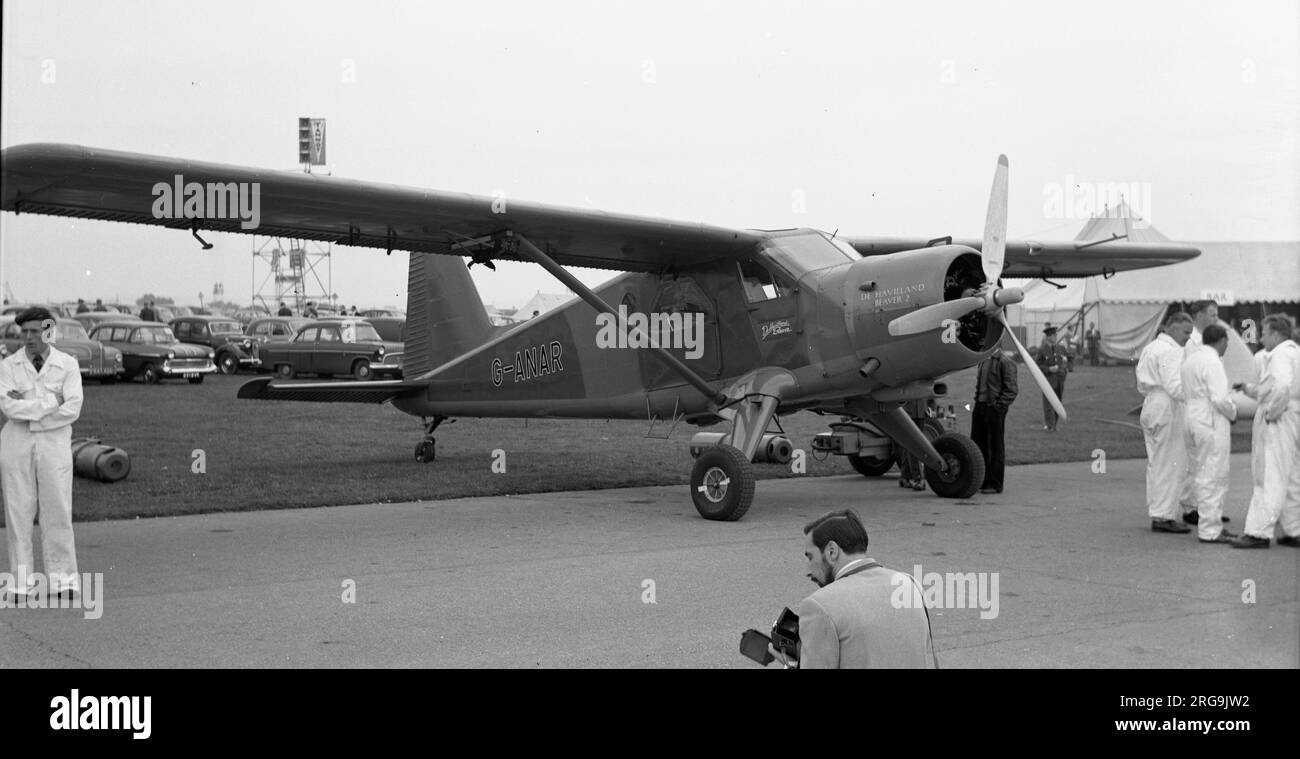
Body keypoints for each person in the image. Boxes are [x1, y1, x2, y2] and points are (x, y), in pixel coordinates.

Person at [0, 307, 84, 600]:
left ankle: (64, 580)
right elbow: (7, 407)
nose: (29, 337)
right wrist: (51, 402)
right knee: (18, 511)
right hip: (16, 444)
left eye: (35, 331)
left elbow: (72, 408)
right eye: (24, 332)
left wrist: (30, 408)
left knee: (58, 509)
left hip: (54, 445)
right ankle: (21, 584)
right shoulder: (8, 366)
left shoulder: (68, 365)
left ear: (49, 331)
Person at [797, 509, 936, 668]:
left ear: (831, 551)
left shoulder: (819, 605)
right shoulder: (911, 585)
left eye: (810, 557)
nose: (807, 570)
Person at [1232, 314, 1300, 548]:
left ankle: (1259, 533)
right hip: (1294, 416)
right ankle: (1293, 529)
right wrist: (1251, 389)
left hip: (1281, 417)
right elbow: (1274, 388)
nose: (1260, 337)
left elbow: (1281, 388)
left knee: (1269, 474)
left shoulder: (1279, 355)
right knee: (1292, 476)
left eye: (1264, 333)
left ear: (1276, 335)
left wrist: (1272, 413)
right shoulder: (1295, 352)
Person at [1180, 324, 1238, 544]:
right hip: (1209, 418)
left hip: (1190, 415)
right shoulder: (1213, 361)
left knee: (1198, 470)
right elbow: (1220, 398)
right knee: (1214, 473)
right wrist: (1233, 413)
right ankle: (1210, 528)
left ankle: (1207, 522)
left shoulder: (1191, 359)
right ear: (1221, 340)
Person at [1136, 312, 1193, 533]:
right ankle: (1163, 515)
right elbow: (1175, 386)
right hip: (1167, 406)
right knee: (1171, 463)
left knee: (1157, 462)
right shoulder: (1171, 351)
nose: (1188, 337)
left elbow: (1142, 384)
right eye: (1186, 332)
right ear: (1172, 328)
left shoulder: (1151, 347)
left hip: (1151, 403)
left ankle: (1159, 510)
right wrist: (1198, 396)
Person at [971, 348, 1017, 494]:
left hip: (994, 408)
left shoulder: (1005, 361)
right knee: (978, 444)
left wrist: (998, 407)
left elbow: (1011, 390)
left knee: (995, 446)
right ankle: (982, 480)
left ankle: (995, 483)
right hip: (980, 406)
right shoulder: (983, 360)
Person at [1035, 325, 1067, 430]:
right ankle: (1050, 425)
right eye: (1054, 335)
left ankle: (1054, 425)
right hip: (1048, 381)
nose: (1056, 336)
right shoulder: (1042, 350)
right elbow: (1037, 366)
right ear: (1048, 336)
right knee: (1048, 404)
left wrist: (1063, 372)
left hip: (1059, 381)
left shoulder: (1059, 348)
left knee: (1058, 403)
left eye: (1056, 335)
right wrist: (1049, 369)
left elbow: (1064, 362)